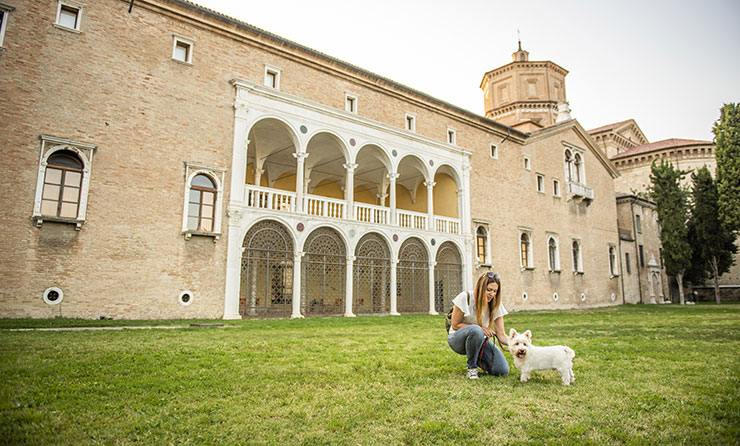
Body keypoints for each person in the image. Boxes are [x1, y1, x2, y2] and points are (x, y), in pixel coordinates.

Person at [447, 271, 509, 379]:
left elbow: (502, 335)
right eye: (489, 290)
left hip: (480, 341)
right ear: (480, 287)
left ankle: (479, 358)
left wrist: (520, 343)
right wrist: (480, 329)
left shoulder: (495, 304)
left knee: (502, 371)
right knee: (476, 330)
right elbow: (455, 325)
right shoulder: (465, 297)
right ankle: (472, 368)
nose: (492, 294)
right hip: (457, 339)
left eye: (495, 291)